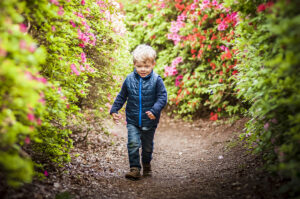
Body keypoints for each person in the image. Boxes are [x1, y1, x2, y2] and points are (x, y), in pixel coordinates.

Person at [110, 44, 167, 180]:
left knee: (147, 147)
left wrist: (155, 110)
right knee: (133, 143)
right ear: (134, 64)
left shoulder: (156, 80)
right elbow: (122, 96)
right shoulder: (129, 79)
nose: (143, 69)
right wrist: (114, 109)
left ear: (153, 64)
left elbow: (162, 97)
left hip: (150, 120)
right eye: (139, 66)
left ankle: (146, 164)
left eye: (146, 66)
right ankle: (134, 168)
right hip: (133, 120)